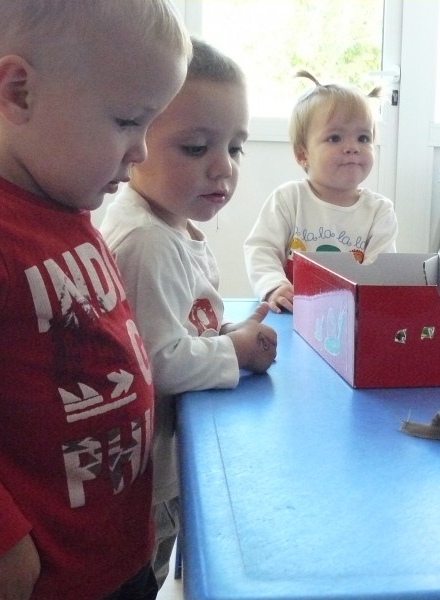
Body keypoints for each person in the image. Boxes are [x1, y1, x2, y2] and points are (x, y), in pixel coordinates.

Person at [0, 2, 190, 599]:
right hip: (31, 579)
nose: (141, 152)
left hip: (110, 558)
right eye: (128, 121)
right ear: (19, 93)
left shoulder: (65, 208)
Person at [100, 37, 278, 588]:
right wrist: (235, 351)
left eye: (235, 148)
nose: (223, 167)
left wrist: (225, 331)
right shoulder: (147, 242)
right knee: (142, 575)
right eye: (197, 148)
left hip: (167, 456)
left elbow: (179, 321)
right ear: (134, 144)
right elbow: (156, 361)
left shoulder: (172, 225)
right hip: (142, 477)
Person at [244, 70, 399, 313]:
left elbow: (381, 271)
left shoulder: (380, 211)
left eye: (363, 138)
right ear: (302, 154)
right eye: (335, 138)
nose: (352, 147)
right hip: (292, 312)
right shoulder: (289, 199)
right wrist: (274, 286)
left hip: (350, 316)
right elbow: (261, 248)